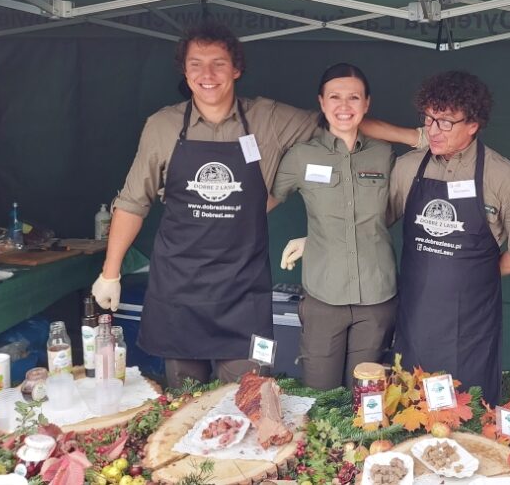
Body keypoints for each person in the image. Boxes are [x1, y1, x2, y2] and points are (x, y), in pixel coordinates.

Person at [91, 22, 318, 388]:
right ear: (184, 70)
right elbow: (133, 202)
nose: (207, 74)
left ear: (237, 69)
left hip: (244, 296)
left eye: (218, 63)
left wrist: (414, 135)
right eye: (196, 64)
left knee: (250, 400)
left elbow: (342, 123)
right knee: (185, 403)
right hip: (179, 293)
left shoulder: (269, 119)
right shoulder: (163, 126)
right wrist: (110, 272)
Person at [387, 71, 510, 405]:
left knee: (467, 405)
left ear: (473, 124)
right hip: (416, 310)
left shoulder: (505, 176)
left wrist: (476, 273)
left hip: (471, 318)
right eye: (428, 119)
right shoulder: (406, 168)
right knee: (410, 400)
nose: (432, 130)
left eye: (445, 122)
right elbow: (375, 223)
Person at [271, 63, 397, 390]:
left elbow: (392, 211)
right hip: (324, 296)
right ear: (322, 102)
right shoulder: (300, 156)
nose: (344, 106)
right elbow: (265, 202)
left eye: (354, 97)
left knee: (366, 395)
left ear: (366, 104)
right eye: (335, 97)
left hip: (376, 295)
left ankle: (364, 445)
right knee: (320, 393)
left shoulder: (385, 155)